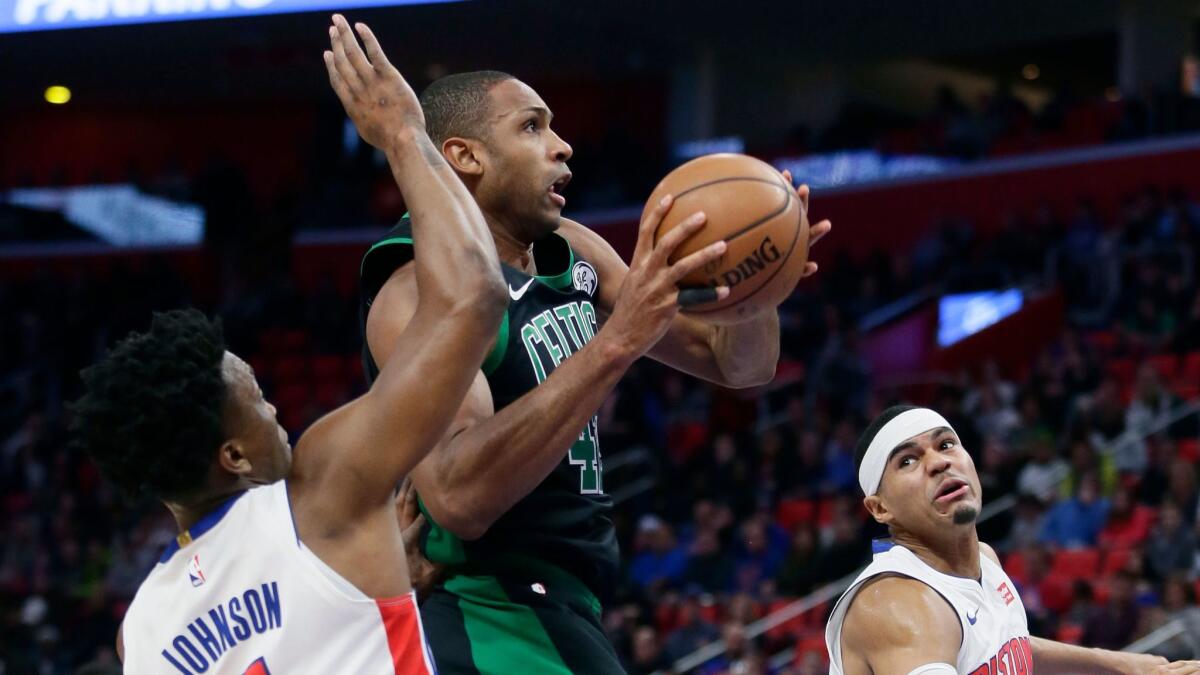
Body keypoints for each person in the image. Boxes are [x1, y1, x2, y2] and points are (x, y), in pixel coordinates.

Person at [70, 16, 507, 673]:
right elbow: (475, 296)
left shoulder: (142, 630)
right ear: (235, 453)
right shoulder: (324, 487)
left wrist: (370, 588)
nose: (278, 413)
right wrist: (404, 134)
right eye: (260, 402)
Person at [359, 70, 831, 673]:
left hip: (565, 606)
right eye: (532, 126)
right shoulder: (414, 289)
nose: (562, 145)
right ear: (466, 156)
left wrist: (753, 291)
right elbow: (458, 493)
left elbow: (737, 364)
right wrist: (617, 343)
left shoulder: (573, 249)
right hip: (483, 607)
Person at [825, 405, 1200, 675]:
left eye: (945, 444)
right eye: (906, 461)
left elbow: (1009, 649)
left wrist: (1124, 665)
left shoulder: (984, 560)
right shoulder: (897, 606)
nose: (938, 462)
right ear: (879, 508)